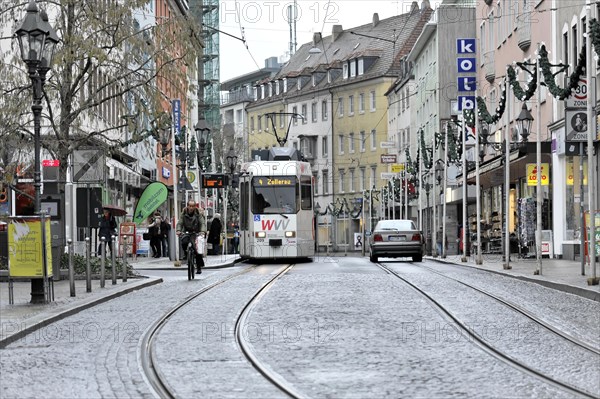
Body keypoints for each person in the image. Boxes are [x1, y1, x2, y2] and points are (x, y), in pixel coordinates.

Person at [176, 200, 207, 273]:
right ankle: (187, 255)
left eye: (193, 206)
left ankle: (199, 267)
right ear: (187, 206)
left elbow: (202, 223)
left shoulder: (198, 214)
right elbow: (180, 223)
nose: (191, 208)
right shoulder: (183, 213)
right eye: (190, 206)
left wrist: (202, 231)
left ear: (195, 206)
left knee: (197, 249)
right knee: (184, 242)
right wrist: (178, 230)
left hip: (196, 232)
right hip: (186, 231)